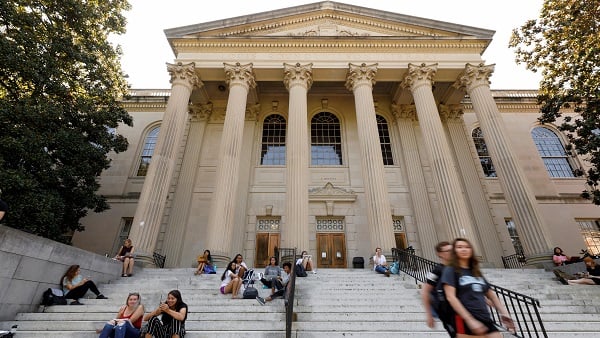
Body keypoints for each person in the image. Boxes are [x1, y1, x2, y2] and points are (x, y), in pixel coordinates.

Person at [440, 238, 515, 337]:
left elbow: (492, 296)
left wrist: (504, 313)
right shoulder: (450, 270)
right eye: (459, 247)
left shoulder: (475, 272)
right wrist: (469, 319)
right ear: (454, 251)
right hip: (464, 319)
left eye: (467, 247)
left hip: (484, 317)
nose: (464, 249)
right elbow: (451, 297)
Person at [421, 241, 452, 330]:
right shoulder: (437, 270)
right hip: (448, 312)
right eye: (447, 251)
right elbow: (425, 291)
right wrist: (429, 314)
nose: (451, 253)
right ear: (440, 254)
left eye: (452, 250)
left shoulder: (457, 269)